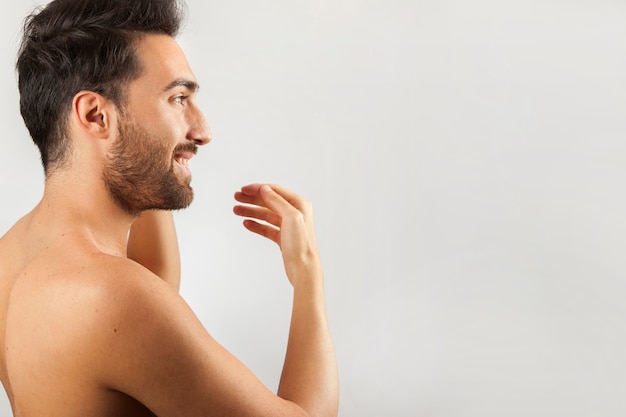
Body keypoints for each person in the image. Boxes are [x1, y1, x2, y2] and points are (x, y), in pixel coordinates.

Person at [0, 0, 339, 416]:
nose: (203, 131)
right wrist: (309, 278)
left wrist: (149, 152)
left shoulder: (12, 259)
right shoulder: (113, 296)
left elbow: (155, 285)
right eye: (178, 98)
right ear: (96, 115)